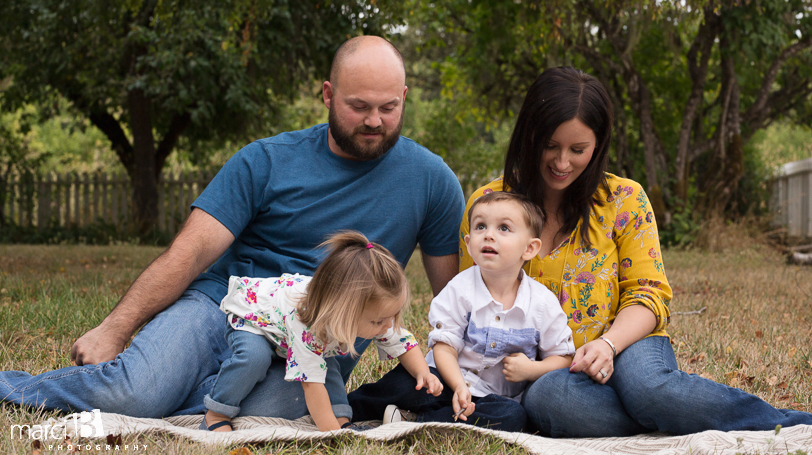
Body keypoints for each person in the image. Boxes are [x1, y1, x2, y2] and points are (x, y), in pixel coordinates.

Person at [0, 36, 465, 423]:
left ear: (405, 97)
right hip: (224, 303)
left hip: (319, 342)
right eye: (358, 106)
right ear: (327, 95)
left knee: (255, 413)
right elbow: (190, 251)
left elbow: (453, 299)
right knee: (134, 397)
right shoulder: (266, 161)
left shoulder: (433, 182)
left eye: (388, 107)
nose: (373, 121)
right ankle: (32, 388)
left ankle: (173, 397)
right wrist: (114, 329)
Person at [457, 66, 812, 447]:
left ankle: (803, 427)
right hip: (547, 372)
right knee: (550, 399)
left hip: (626, 343)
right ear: (529, 134)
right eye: (551, 145)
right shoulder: (488, 209)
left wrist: (607, 344)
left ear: (598, 145)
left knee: (649, 389)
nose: (563, 162)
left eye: (578, 149)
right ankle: (666, 424)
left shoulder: (624, 199)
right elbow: (472, 302)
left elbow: (648, 295)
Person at [349, 191, 575, 433]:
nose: (488, 234)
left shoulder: (541, 303)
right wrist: (458, 385)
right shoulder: (460, 288)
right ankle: (349, 409)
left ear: (529, 248)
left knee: (512, 417)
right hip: (445, 378)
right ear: (468, 244)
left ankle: (416, 422)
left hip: (491, 398)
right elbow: (444, 346)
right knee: (403, 384)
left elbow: (564, 357)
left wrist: (533, 370)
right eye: (480, 226)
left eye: (504, 228)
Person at [202, 231, 442, 432]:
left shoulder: (374, 313)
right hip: (253, 317)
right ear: (344, 313)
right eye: (380, 321)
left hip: (286, 330)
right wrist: (331, 436)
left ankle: (342, 420)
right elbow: (311, 386)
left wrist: (424, 373)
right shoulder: (307, 324)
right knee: (254, 359)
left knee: (329, 368)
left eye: (392, 317)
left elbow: (401, 340)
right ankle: (216, 413)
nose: (388, 326)